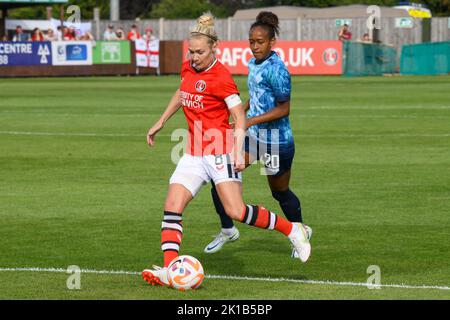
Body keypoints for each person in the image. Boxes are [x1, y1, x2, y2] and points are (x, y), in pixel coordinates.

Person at [141, 12, 311, 288]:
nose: (193, 57)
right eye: (191, 52)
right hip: (194, 152)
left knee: (236, 210)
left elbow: (239, 115)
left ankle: (292, 230)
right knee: (172, 206)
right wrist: (161, 121)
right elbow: (182, 91)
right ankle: (170, 269)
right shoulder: (188, 67)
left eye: (199, 52)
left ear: (213, 49)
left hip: (220, 149)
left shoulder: (222, 77)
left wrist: (238, 147)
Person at [203, 11, 312, 258]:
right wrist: (241, 111)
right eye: (251, 41)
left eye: (260, 42)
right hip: (254, 138)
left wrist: (249, 120)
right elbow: (258, 96)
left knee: (279, 192)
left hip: (276, 143)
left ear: (271, 42)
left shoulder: (278, 69)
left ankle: (301, 232)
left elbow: (284, 108)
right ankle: (228, 230)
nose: (254, 46)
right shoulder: (253, 63)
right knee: (220, 175)